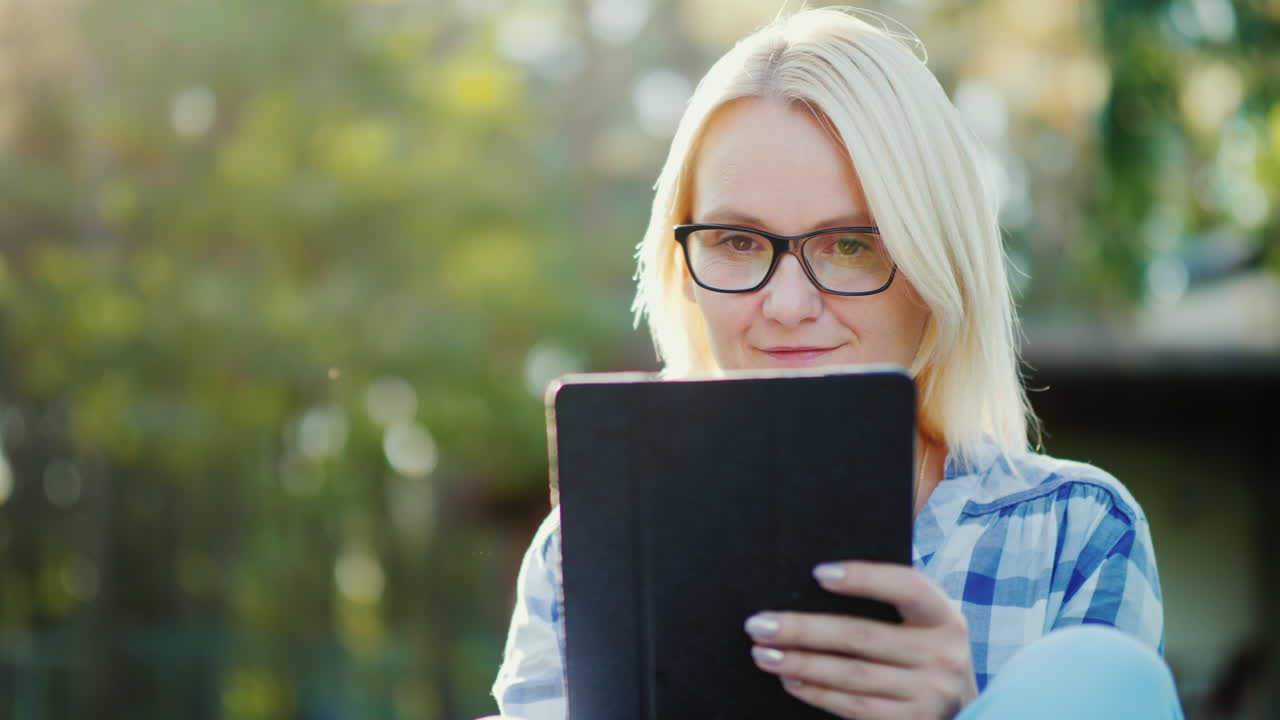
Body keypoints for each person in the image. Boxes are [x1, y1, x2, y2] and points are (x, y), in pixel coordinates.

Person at [489, 7, 1182, 720]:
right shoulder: (592, 544)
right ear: (685, 268)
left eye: (850, 245)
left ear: (933, 266)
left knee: (1104, 674)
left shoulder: (1075, 531)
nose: (787, 305)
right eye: (736, 241)